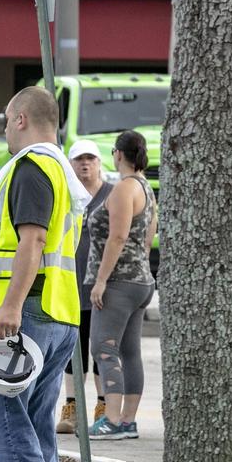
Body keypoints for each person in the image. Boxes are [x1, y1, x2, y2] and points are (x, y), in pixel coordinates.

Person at [0, 86, 89, 462]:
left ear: (20, 119)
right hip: (58, 314)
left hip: (25, 314)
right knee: (35, 426)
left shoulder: (30, 167)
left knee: (3, 429)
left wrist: (10, 305)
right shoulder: (59, 169)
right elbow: (25, 234)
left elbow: (31, 241)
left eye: (6, 119)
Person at [86, 130, 157, 441]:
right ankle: (128, 420)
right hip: (142, 279)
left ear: (117, 154)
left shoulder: (123, 189)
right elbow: (147, 237)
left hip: (119, 282)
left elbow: (118, 236)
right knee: (129, 351)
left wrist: (102, 281)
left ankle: (112, 420)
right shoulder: (147, 188)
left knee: (103, 346)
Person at [56, 139, 111, 434]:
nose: (84, 164)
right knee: (72, 349)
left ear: (100, 162)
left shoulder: (111, 195)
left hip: (102, 288)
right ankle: (72, 408)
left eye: (90, 159)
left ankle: (104, 406)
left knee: (102, 350)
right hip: (71, 285)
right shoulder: (66, 194)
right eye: (78, 160)